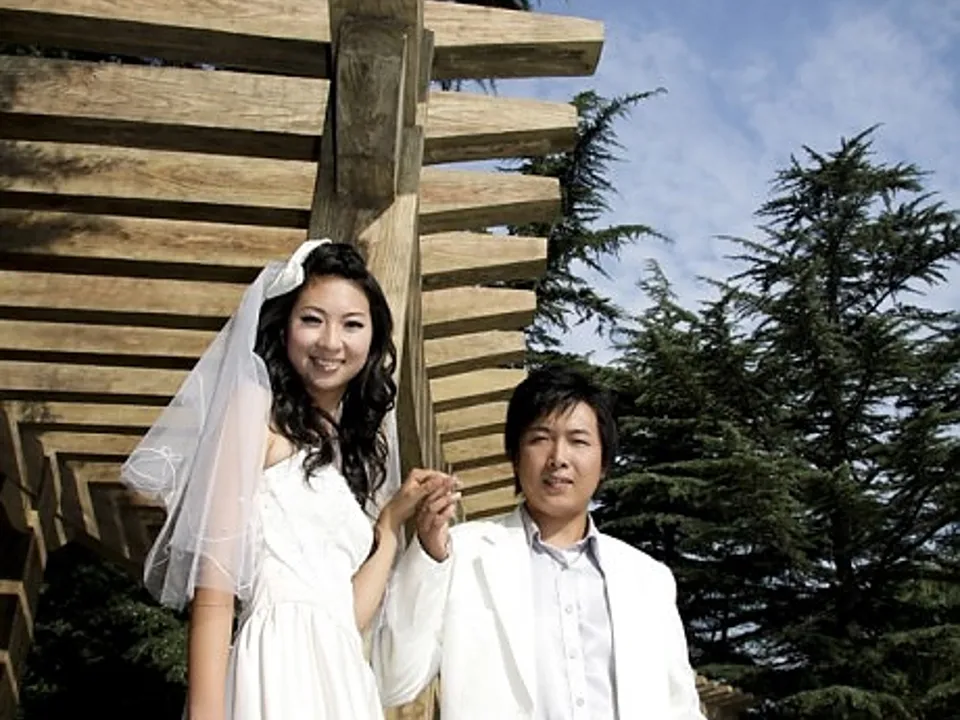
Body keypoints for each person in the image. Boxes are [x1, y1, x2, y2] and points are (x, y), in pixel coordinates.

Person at [121, 239, 456, 720]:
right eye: (312, 319)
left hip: (342, 678)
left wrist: (388, 526)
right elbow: (215, 592)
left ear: (374, 337)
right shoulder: (254, 410)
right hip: (277, 663)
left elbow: (345, 616)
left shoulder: (350, 452)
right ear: (284, 326)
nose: (331, 342)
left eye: (352, 324)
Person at [373, 366, 706, 719]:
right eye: (540, 438)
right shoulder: (460, 555)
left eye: (578, 441)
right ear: (515, 456)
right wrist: (427, 558)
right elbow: (394, 681)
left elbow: (680, 709)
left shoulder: (647, 579)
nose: (558, 458)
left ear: (605, 462)